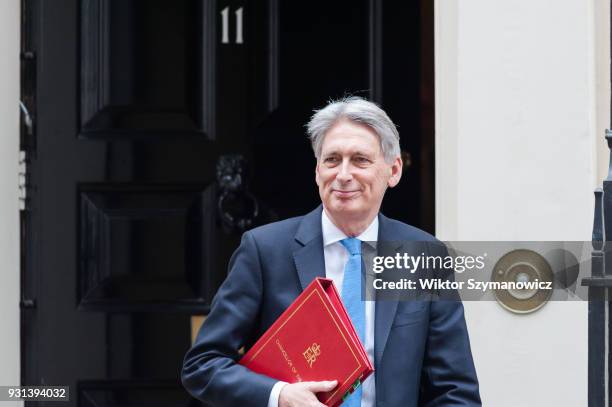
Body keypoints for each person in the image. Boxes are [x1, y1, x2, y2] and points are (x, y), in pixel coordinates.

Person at [182, 97, 481, 407]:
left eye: (360, 160)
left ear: (393, 171)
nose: (343, 174)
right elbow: (203, 365)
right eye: (332, 159)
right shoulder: (265, 251)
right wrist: (279, 396)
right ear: (317, 171)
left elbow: (454, 390)